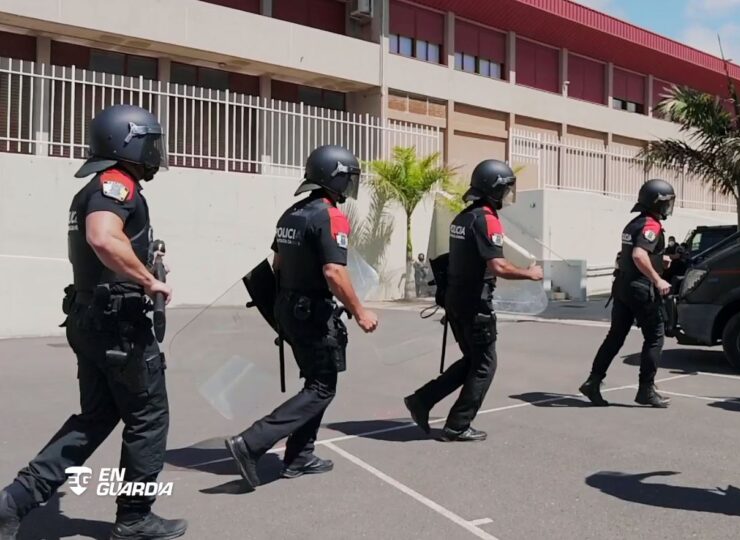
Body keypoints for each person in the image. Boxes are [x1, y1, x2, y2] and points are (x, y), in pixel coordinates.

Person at [0, 105, 187, 540]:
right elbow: (103, 237)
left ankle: (14, 502)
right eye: (150, 142)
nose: (154, 152)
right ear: (127, 142)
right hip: (118, 326)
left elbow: (108, 244)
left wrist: (144, 264)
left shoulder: (93, 188)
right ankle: (136, 516)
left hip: (92, 318)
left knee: (96, 416)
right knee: (148, 417)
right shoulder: (115, 183)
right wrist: (148, 281)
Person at [224, 145, 379, 489]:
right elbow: (334, 272)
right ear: (334, 178)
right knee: (323, 387)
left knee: (317, 383)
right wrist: (360, 310)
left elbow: (278, 265)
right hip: (313, 312)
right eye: (348, 178)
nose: (350, 185)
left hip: (289, 309)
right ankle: (251, 443)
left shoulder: (292, 214)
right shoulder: (330, 215)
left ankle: (299, 456)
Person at [403, 159, 543, 442]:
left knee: (473, 360)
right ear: (494, 189)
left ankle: (422, 400)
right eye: (504, 190)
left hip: (456, 301)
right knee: (484, 364)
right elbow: (498, 267)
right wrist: (530, 273)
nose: (506, 196)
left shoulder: (463, 217)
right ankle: (457, 424)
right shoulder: (486, 219)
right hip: (474, 305)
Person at [579, 179, 676, 408]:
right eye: (667, 202)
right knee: (655, 337)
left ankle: (593, 381)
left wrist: (658, 259)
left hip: (623, 286)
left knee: (615, 336)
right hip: (641, 289)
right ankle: (646, 390)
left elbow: (631, 253)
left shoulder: (634, 223)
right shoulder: (651, 225)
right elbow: (638, 256)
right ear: (658, 203)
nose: (669, 207)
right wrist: (658, 278)